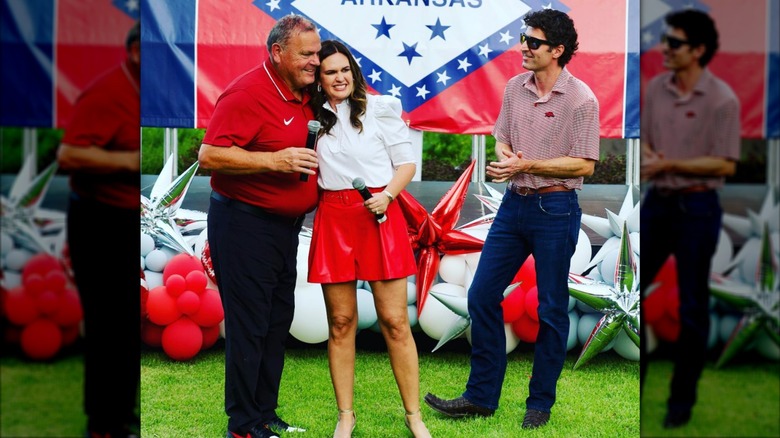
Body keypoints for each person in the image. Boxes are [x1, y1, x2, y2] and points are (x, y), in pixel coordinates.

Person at [424, 9, 599, 429]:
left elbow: (585, 165)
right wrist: (508, 162)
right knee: (481, 295)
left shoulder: (581, 99)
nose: (523, 47)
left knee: (552, 309)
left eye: (533, 42)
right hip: (513, 206)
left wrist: (526, 165)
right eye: (524, 38)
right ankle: (481, 398)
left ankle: (540, 403)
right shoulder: (514, 89)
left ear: (557, 51)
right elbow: (502, 139)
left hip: (556, 209)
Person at [197, 15, 321, 438]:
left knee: (275, 322)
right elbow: (209, 155)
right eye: (306, 54)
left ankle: (266, 414)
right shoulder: (246, 92)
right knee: (250, 325)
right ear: (277, 53)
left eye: (317, 52)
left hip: (284, 229)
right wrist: (274, 160)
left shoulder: (304, 92)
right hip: (244, 224)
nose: (315, 61)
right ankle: (243, 425)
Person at [306, 40, 431, 438]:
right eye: (330, 72)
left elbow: (407, 163)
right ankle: (346, 415)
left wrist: (388, 195)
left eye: (345, 70)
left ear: (354, 73)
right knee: (341, 323)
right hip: (334, 218)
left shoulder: (380, 108)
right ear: (320, 79)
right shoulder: (312, 116)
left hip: (379, 213)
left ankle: (414, 417)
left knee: (395, 322)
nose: (339, 78)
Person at [639, 9, 739, 429]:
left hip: (698, 209)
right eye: (665, 40)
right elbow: (646, 144)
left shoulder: (723, 99)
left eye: (674, 43)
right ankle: (637, 385)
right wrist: (651, 161)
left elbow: (726, 164)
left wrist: (669, 165)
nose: (665, 48)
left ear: (698, 50)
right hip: (658, 205)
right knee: (632, 297)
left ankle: (681, 403)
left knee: (693, 307)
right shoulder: (656, 89)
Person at [56, 21, 141, 438]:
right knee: (107, 325)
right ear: (138, 52)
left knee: (125, 323)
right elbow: (68, 154)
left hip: (125, 219)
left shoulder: (143, 90)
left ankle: (121, 413)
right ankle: (103, 423)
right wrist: (129, 163)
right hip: (98, 220)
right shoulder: (107, 92)